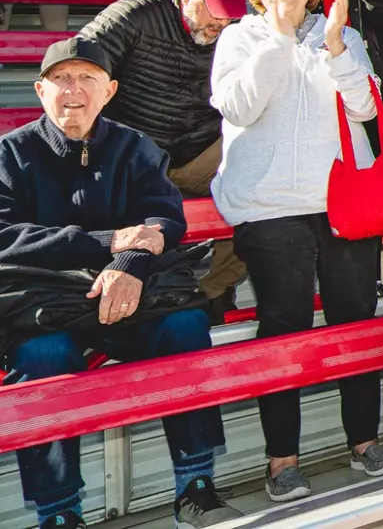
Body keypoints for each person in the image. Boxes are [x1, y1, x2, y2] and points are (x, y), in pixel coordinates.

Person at [0, 37, 240, 529]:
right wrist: (108, 242)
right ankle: (59, 511)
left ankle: (196, 484)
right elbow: (6, 236)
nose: (74, 90)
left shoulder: (133, 146)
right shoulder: (11, 152)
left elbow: (163, 217)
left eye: (87, 78)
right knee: (43, 359)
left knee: (186, 327)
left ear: (108, 90)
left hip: (126, 300)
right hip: (46, 306)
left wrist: (128, 263)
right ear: (40, 90)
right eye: (62, 79)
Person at [208, 0, 383, 501]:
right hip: (271, 207)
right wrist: (279, 37)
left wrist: (337, 45)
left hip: (343, 201)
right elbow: (240, 106)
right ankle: (281, 459)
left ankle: (364, 442)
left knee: (354, 320)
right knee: (285, 326)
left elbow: (366, 108)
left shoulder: (339, 32)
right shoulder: (241, 38)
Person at [77, 0, 248, 310]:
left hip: (200, 151)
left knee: (262, 181)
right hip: (134, 156)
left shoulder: (236, 30)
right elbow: (78, 67)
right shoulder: (133, 15)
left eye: (230, 12)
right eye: (215, 10)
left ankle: (214, 292)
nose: (223, 21)